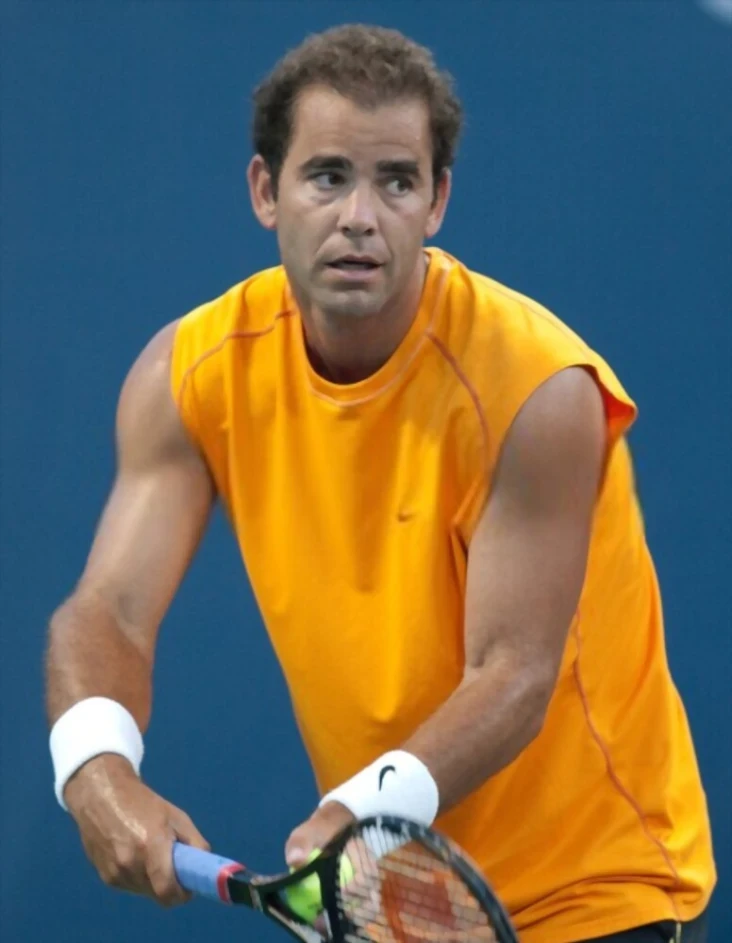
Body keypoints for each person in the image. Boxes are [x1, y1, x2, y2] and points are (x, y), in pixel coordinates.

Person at [45, 24, 715, 943]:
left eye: (396, 182)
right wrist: (95, 767)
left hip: (597, 894)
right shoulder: (189, 373)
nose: (360, 215)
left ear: (437, 202)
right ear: (265, 191)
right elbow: (111, 609)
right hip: (401, 901)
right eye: (327, 177)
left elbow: (513, 673)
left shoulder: (537, 390)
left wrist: (361, 812)